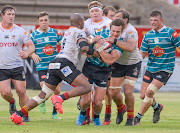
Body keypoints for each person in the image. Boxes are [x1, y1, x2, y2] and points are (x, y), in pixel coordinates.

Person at [10, 13, 99, 126]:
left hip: (54, 63)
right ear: (80, 23)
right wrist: (98, 54)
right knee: (86, 87)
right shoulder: (79, 32)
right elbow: (85, 48)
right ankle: (60, 98)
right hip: (64, 63)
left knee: (43, 95)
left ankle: (18, 115)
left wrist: (89, 40)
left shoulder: (67, 32)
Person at [134, 10, 180, 125]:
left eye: (155, 20)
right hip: (151, 68)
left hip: (165, 68)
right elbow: (142, 53)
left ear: (161, 20)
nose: (153, 22)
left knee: (149, 93)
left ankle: (137, 118)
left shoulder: (170, 33)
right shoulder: (148, 35)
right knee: (142, 95)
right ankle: (157, 107)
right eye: (151, 20)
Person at [77, 18, 125, 126]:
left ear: (121, 32)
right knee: (85, 100)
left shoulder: (120, 44)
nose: (115, 34)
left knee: (98, 102)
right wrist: (92, 41)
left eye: (118, 32)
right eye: (113, 31)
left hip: (103, 71)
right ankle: (82, 113)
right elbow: (87, 42)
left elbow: (110, 60)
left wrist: (99, 48)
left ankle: (97, 117)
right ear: (110, 28)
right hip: (89, 67)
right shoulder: (100, 33)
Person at [103, 9, 143, 126]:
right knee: (113, 92)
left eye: (118, 17)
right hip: (119, 63)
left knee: (127, 91)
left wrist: (114, 40)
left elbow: (130, 47)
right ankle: (121, 108)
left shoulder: (131, 31)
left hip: (133, 63)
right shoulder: (111, 29)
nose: (115, 18)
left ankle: (130, 118)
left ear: (125, 21)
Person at [0, 5, 35, 122]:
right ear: (2, 16)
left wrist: (26, 52)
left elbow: (31, 46)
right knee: (5, 93)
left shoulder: (20, 31)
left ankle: (25, 115)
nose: (11, 16)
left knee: (21, 91)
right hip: (2, 67)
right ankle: (12, 102)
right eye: (9, 14)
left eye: (13, 14)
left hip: (17, 66)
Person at [80, 1, 112, 125]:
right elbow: (83, 37)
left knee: (100, 99)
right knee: (86, 95)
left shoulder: (108, 23)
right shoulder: (86, 23)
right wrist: (92, 39)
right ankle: (85, 116)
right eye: (92, 11)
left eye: (97, 11)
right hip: (89, 63)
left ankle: (99, 116)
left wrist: (103, 42)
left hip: (104, 64)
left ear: (101, 11)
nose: (95, 13)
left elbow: (113, 37)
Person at [30, 11, 62, 119]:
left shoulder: (56, 33)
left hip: (55, 65)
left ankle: (54, 113)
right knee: (46, 89)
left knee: (57, 90)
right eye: (41, 20)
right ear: (38, 22)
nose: (44, 22)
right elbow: (29, 50)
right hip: (42, 66)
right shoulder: (33, 35)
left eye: (45, 20)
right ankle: (42, 101)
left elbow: (64, 45)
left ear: (49, 21)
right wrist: (33, 54)